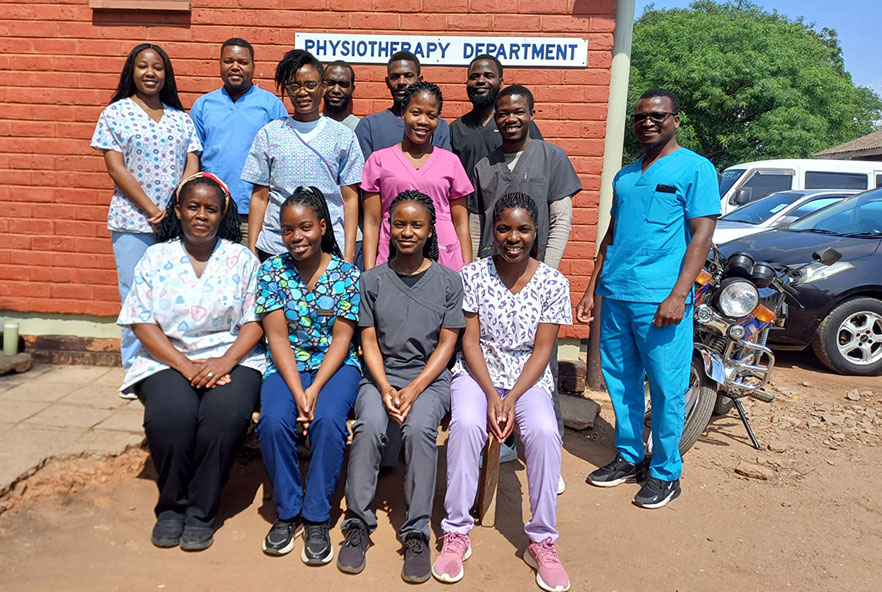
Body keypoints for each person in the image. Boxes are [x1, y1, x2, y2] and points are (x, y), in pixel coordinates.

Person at [576, 88, 719, 509]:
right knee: (619, 384)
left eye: (657, 115)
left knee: (665, 387)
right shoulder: (624, 176)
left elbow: (702, 236)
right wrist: (590, 289)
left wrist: (679, 295)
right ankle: (628, 456)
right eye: (640, 117)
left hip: (661, 302)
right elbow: (612, 235)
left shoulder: (695, 169)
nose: (648, 122)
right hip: (616, 294)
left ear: (676, 119)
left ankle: (665, 472)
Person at [432, 193, 572, 592]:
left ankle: (542, 540)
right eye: (504, 228)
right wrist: (493, 394)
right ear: (492, 231)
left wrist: (511, 398)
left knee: (545, 433)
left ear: (536, 232)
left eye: (523, 229)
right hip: (479, 375)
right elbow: (470, 342)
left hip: (528, 379)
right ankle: (456, 531)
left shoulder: (552, 282)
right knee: (465, 426)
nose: (513, 237)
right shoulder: (472, 276)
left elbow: (543, 350)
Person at [117, 173, 265, 552]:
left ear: (223, 213)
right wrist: (185, 366)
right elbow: (141, 321)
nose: (201, 215)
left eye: (211, 209)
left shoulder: (241, 258)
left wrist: (225, 361)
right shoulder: (156, 256)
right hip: (167, 358)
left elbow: (255, 321)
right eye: (194, 207)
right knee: (171, 415)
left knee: (224, 417)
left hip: (234, 357)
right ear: (179, 210)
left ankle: (201, 510)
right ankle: (172, 507)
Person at [338, 190, 465, 583]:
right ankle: (357, 524)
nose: (407, 231)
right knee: (371, 425)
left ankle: (416, 533)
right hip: (380, 375)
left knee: (419, 427)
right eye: (400, 224)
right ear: (389, 228)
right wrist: (384, 385)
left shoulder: (448, 282)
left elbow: (447, 344)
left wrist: (414, 389)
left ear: (430, 231)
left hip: (428, 379)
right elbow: (369, 341)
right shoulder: (372, 280)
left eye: (417, 225)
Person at [472, 84, 581, 483]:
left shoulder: (553, 158)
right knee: (491, 361)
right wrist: (474, 270)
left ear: (532, 113)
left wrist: (544, 276)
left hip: (535, 282)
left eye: (518, 111)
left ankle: (547, 452)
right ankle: (503, 443)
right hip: (491, 282)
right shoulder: (485, 164)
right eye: (503, 112)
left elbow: (562, 221)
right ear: (495, 117)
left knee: (541, 366)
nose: (510, 118)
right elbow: (474, 219)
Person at [255, 187, 361, 565]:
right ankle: (288, 511)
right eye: (287, 230)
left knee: (330, 421)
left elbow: (343, 337)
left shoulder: (347, 274)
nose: (296, 237)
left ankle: (317, 517)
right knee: (272, 422)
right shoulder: (271, 272)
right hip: (286, 366)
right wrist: (298, 389)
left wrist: (314, 388)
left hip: (336, 367)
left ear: (321, 226)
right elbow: (277, 337)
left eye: (304, 227)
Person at [91, 43, 201, 384]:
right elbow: (116, 167)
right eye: (143, 66)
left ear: (166, 75)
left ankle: (168, 364)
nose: (150, 73)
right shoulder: (116, 113)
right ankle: (134, 371)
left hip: (175, 224)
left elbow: (192, 165)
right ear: (132, 72)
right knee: (135, 294)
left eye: (157, 67)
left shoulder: (181, 119)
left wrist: (175, 211)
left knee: (173, 294)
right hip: (132, 222)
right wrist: (154, 210)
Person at [242, 49, 363, 262]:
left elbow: (350, 197)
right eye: (294, 86)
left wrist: (349, 252)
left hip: (329, 248)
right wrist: (252, 249)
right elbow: (260, 196)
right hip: (277, 246)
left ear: (323, 87)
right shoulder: (269, 134)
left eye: (310, 85)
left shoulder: (343, 136)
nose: (302, 92)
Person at [361, 82, 472, 271]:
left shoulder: (451, 162)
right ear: (403, 113)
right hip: (393, 253)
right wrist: (370, 269)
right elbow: (371, 222)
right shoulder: (379, 160)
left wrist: (468, 269)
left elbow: (461, 222)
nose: (423, 121)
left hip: (444, 256)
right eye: (416, 112)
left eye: (431, 115)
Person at [190, 38, 288, 246]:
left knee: (250, 273)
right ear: (220, 64)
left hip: (255, 214)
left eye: (242, 62)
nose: (235, 67)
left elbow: (283, 162)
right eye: (229, 61)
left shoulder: (271, 106)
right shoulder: (203, 106)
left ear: (253, 66)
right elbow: (192, 160)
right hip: (211, 211)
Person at [449, 55, 543, 256]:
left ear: (500, 82)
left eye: (488, 75)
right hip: (471, 224)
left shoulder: (521, 126)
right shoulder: (456, 129)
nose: (480, 81)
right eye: (474, 76)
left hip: (515, 229)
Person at [354, 51, 451, 161]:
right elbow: (365, 173)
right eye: (395, 77)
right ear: (387, 82)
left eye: (408, 76)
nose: (401, 82)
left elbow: (444, 167)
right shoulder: (369, 126)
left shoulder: (438, 126)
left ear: (419, 80)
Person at [322, 60, 359, 131]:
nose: (336, 90)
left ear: (352, 90)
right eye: (330, 83)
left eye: (343, 85)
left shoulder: (361, 128)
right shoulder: (310, 125)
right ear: (322, 87)